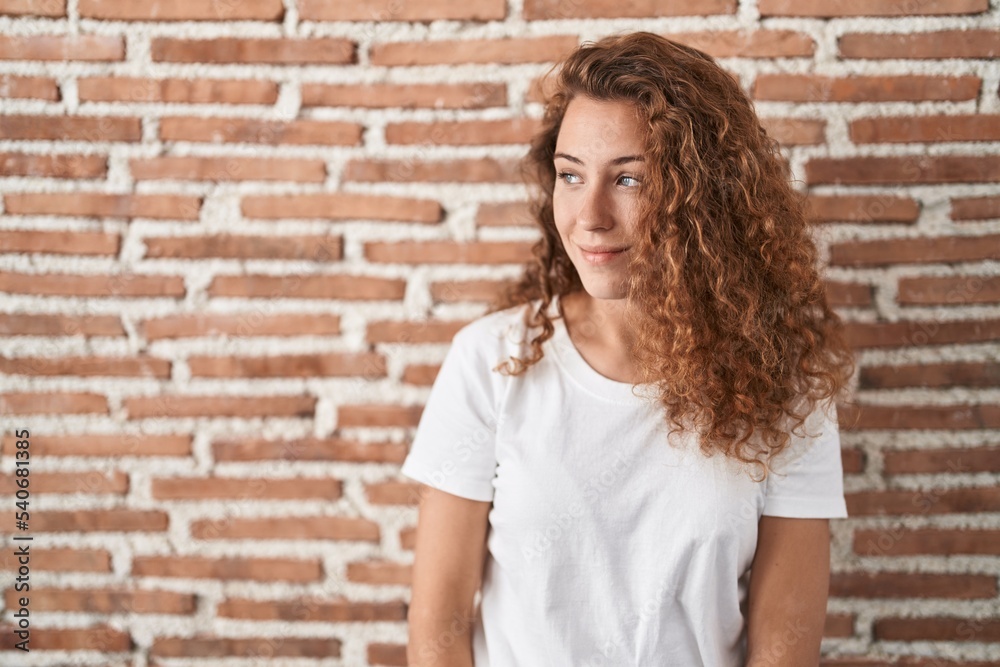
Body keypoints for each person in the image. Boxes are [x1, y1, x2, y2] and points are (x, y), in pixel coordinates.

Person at [401, 31, 856, 667]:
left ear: (702, 196)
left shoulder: (788, 385)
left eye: (630, 180)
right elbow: (440, 629)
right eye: (570, 175)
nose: (589, 215)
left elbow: (783, 646)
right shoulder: (491, 361)